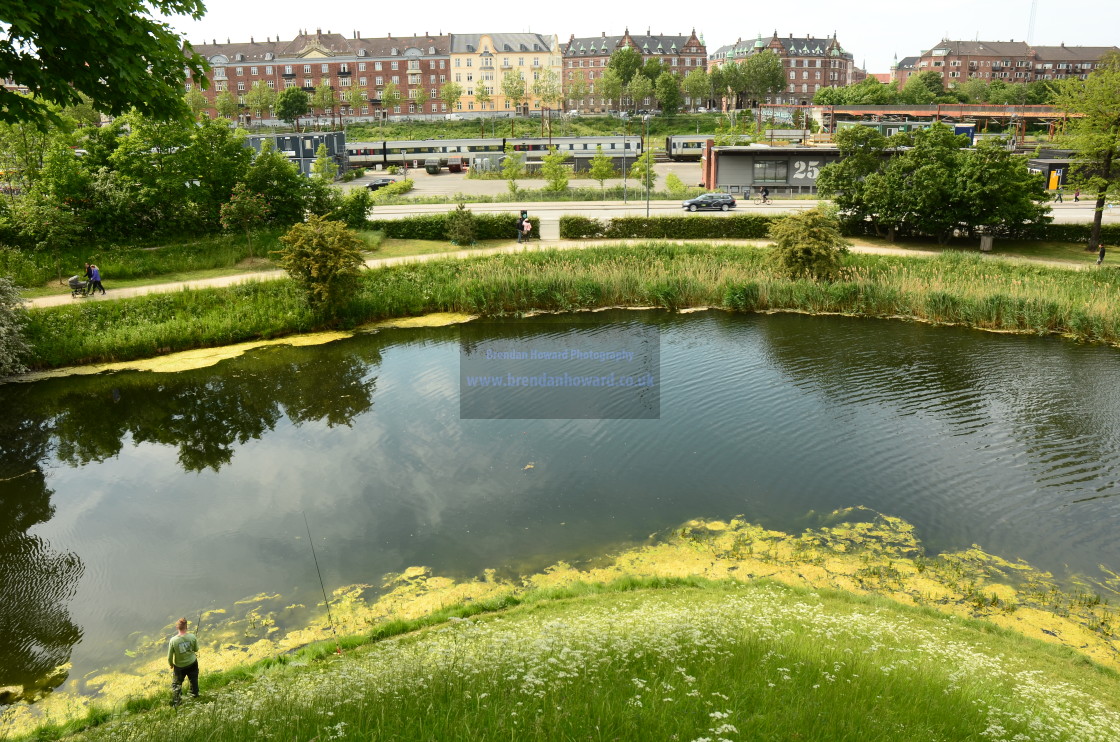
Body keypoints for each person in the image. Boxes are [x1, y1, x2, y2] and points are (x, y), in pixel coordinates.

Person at [168, 617, 200, 706]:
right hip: (192, 663)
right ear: (186, 627)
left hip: (179, 666)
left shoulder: (173, 640)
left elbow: (169, 656)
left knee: (176, 684)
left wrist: (171, 664)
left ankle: (177, 702)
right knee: (193, 680)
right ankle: (195, 695)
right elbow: (196, 649)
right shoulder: (192, 637)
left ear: (177, 627)